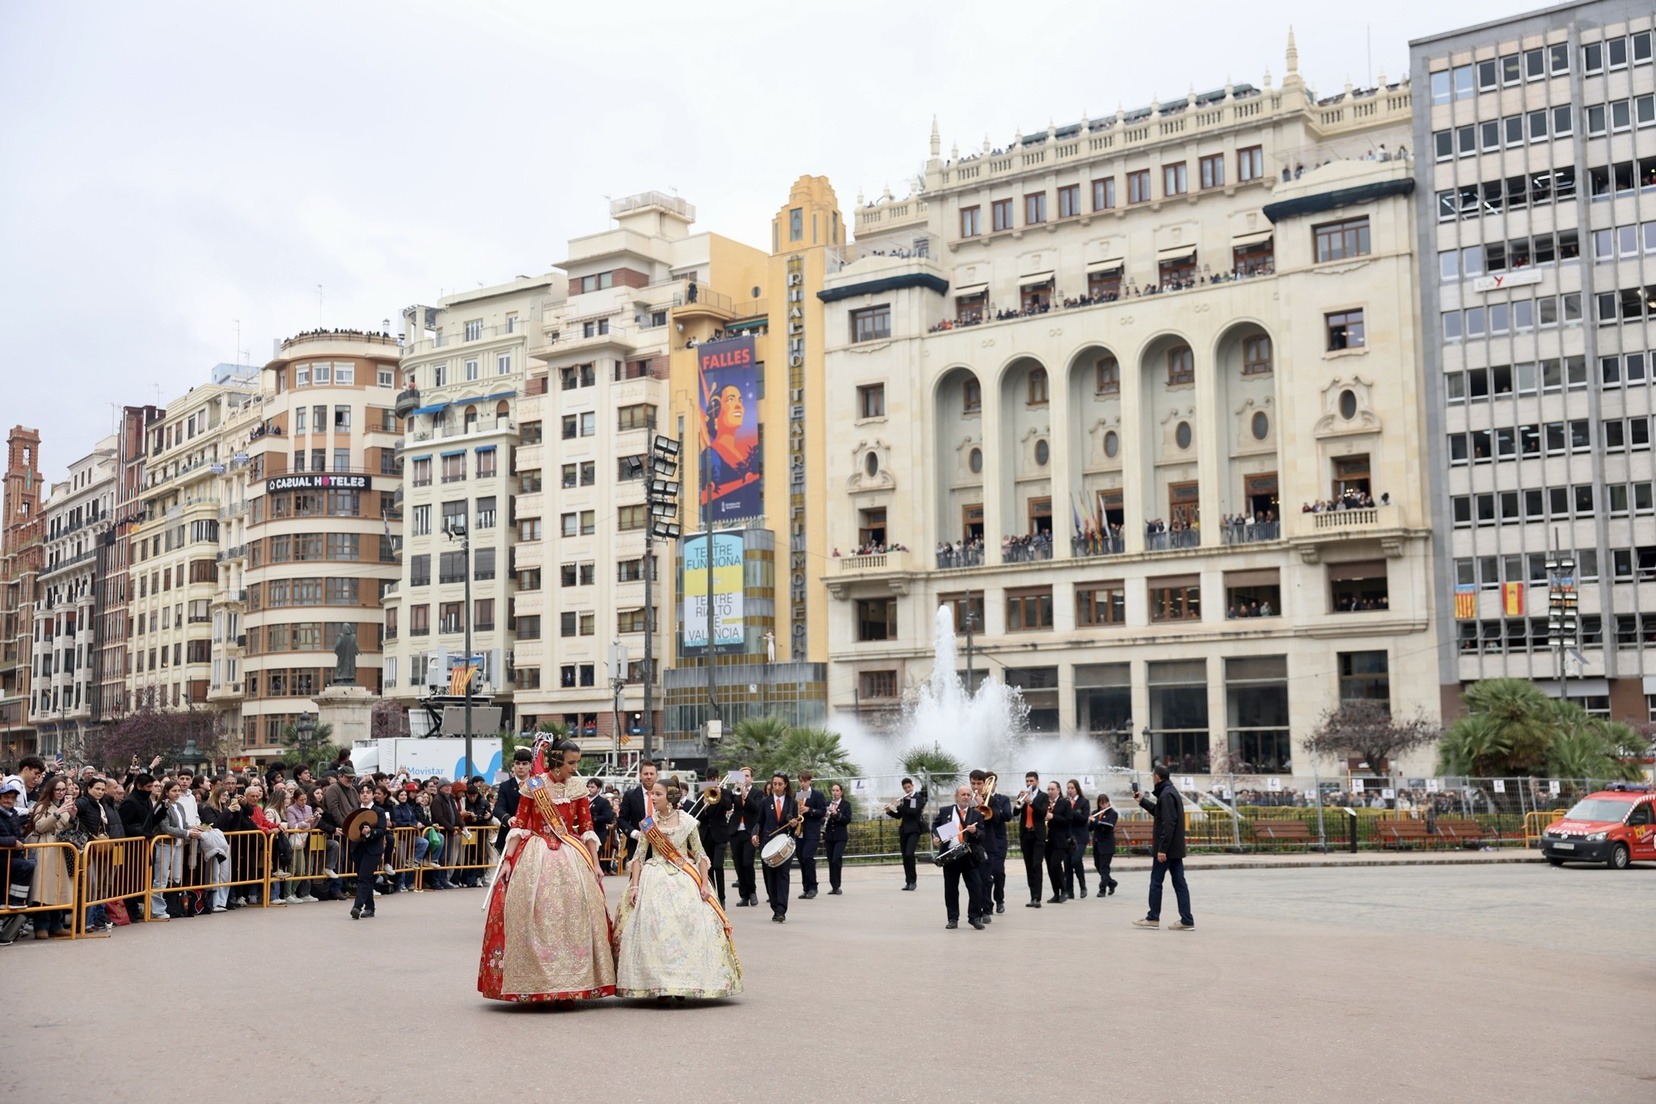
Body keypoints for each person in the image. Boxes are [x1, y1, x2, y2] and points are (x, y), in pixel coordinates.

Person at [478, 737, 615, 1004]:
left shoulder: (577, 787)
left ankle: (573, 983)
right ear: (556, 761)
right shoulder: (533, 786)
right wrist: (508, 859)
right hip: (536, 852)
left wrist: (596, 863)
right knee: (534, 913)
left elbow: (587, 827)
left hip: (571, 854)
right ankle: (535, 982)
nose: (575, 768)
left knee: (575, 914)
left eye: (576, 763)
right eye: (571, 763)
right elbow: (520, 824)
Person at [615, 778, 742, 1000]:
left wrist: (704, 884)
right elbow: (638, 857)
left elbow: (700, 854)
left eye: (658, 794)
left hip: (684, 876)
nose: (653, 798)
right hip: (654, 877)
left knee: (687, 927)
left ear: (671, 797)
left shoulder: (688, 822)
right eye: (652, 794)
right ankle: (660, 984)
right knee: (655, 929)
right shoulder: (648, 823)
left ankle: (685, 983)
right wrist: (634, 885)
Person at [1133, 765, 1194, 931]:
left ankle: (1153, 917)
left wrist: (1162, 849)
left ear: (1157, 777)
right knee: (1180, 883)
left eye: (1153, 776)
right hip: (1175, 849)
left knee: (1156, 882)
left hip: (1167, 850)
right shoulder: (1170, 792)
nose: (1152, 778)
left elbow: (1168, 823)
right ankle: (1187, 920)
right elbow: (1160, 814)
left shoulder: (1166, 795)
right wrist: (1142, 801)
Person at [23, 778, 75, 938]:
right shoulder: (42, 806)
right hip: (45, 850)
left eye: (63, 789)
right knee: (44, 889)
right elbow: (40, 826)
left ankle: (56, 925)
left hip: (61, 850)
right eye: (57, 789)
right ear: (50, 790)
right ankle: (41, 926)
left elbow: (68, 828)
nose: (61, 793)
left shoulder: (64, 806)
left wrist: (72, 817)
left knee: (59, 889)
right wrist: (57, 814)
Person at [931, 784, 988, 930]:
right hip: (951, 856)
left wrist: (975, 832)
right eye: (963, 794)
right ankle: (952, 918)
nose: (966, 797)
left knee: (976, 887)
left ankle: (974, 917)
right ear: (956, 796)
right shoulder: (945, 811)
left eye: (968, 795)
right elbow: (935, 827)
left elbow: (982, 836)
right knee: (951, 888)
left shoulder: (976, 814)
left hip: (969, 855)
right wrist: (936, 837)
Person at [753, 772, 797, 923]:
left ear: (785, 785)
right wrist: (754, 835)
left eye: (780, 784)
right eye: (775, 784)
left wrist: (794, 824)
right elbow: (759, 822)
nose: (777, 787)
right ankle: (774, 906)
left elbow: (795, 826)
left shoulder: (792, 802)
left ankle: (781, 910)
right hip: (768, 844)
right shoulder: (765, 802)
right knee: (770, 877)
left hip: (785, 845)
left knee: (783, 875)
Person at [971, 769, 1013, 914]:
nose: (976, 787)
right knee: (978, 879)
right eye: (973, 783)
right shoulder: (967, 797)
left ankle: (996, 901)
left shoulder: (998, 800)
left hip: (994, 840)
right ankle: (981, 907)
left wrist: (983, 804)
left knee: (995, 872)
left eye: (979, 783)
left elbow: (1001, 816)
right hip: (975, 842)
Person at [685, 770, 729, 907]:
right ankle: (713, 895)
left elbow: (729, 805)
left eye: (713, 778)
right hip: (706, 835)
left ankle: (722, 897)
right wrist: (704, 806)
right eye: (709, 779)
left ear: (718, 778)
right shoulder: (701, 795)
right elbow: (696, 816)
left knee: (718, 865)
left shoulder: (725, 793)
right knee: (708, 868)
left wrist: (720, 795)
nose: (711, 781)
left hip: (720, 835)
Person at [347, 782, 389, 920]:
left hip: (373, 849)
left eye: (368, 792)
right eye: (362, 792)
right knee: (365, 878)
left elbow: (382, 830)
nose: (365, 794)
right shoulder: (355, 810)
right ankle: (370, 907)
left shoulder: (379, 811)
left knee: (364, 877)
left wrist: (371, 832)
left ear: (372, 795)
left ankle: (357, 906)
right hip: (358, 848)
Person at [1013, 771, 1049, 907]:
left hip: (1038, 835)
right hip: (1026, 834)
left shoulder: (1043, 796)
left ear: (1037, 781)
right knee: (1029, 866)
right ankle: (1032, 896)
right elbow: (1015, 812)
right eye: (1027, 781)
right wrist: (1021, 801)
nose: (1029, 783)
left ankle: (1037, 898)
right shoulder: (1022, 795)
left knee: (1036, 865)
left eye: (1031, 781)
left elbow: (1042, 813)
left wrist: (1031, 802)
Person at [884, 777, 927, 890]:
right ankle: (908, 882)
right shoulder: (905, 799)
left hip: (914, 830)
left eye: (909, 787)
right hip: (904, 830)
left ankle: (913, 881)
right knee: (905, 856)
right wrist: (889, 811)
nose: (907, 789)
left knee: (909, 854)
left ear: (912, 786)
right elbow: (900, 815)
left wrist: (898, 805)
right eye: (905, 788)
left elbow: (912, 812)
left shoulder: (917, 798)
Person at [726, 768, 760, 907]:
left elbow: (756, 809)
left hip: (749, 831)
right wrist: (735, 792)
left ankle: (752, 891)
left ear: (752, 778)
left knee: (747, 863)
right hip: (735, 831)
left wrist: (746, 795)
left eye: (747, 776)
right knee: (738, 863)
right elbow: (728, 805)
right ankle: (744, 895)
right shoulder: (735, 792)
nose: (744, 778)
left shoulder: (757, 793)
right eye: (742, 776)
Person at [618, 759, 659, 866]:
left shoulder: (664, 795)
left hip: (661, 846)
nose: (649, 777)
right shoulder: (630, 795)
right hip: (637, 845)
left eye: (651, 774)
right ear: (640, 776)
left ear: (656, 775)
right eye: (646, 774)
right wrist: (635, 834)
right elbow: (622, 820)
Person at [794, 770, 827, 899]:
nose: (802, 783)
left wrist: (809, 810)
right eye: (800, 781)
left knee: (807, 857)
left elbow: (822, 811)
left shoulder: (817, 794)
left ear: (810, 781)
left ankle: (813, 887)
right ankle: (806, 887)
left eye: (804, 781)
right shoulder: (798, 794)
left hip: (812, 831)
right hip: (799, 831)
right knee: (801, 859)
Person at [1042, 781, 1072, 904]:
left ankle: (1064, 890)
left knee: (1055, 865)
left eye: (1052, 789)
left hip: (1060, 840)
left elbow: (1068, 820)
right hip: (1047, 840)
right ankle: (1056, 893)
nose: (1050, 791)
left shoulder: (1064, 803)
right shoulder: (1045, 803)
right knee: (1050, 867)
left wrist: (1053, 816)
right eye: (1048, 789)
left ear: (1058, 790)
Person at [823, 783, 852, 895]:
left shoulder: (846, 804)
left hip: (840, 837)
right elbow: (822, 819)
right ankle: (833, 886)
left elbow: (847, 819)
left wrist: (837, 814)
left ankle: (837, 885)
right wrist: (825, 817)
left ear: (841, 792)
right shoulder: (828, 804)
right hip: (829, 836)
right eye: (833, 790)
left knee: (836, 859)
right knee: (831, 860)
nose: (834, 793)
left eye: (837, 790)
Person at [1089, 793, 1120, 897]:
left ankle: (1102, 889)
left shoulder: (1113, 813)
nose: (1104, 805)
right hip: (1097, 844)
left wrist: (1096, 821)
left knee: (1104, 867)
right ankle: (1111, 883)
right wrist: (1089, 821)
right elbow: (1090, 828)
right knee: (1098, 865)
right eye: (1101, 803)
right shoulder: (1095, 813)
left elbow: (1109, 826)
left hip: (1107, 845)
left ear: (1108, 802)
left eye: (1105, 803)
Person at [1064, 779, 1090, 899]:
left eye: (1072, 788)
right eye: (1068, 788)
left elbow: (1084, 818)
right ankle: (1069, 891)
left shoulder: (1084, 802)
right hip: (1068, 836)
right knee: (1067, 863)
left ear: (1077, 789)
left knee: (1076, 860)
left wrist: (1071, 811)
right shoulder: (1065, 801)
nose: (1070, 790)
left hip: (1080, 836)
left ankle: (1083, 886)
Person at [586, 779, 617, 874]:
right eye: (588, 787)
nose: (589, 789)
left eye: (592, 787)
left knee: (594, 858)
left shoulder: (603, 802)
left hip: (598, 834)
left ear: (598, 789)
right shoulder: (583, 800)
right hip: (585, 833)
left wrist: (592, 818)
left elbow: (608, 817)